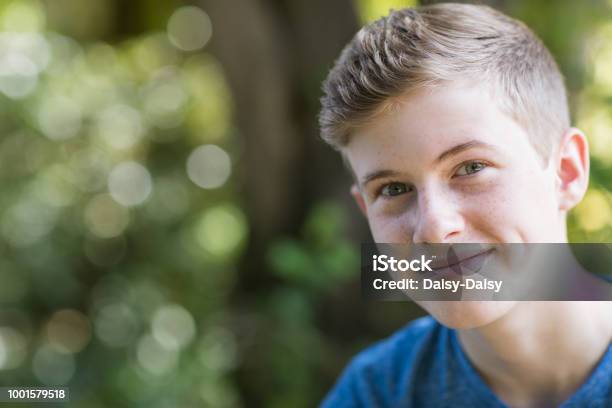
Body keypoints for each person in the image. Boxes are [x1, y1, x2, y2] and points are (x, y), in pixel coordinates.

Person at [318, 3, 612, 407]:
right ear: (365, 210)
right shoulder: (376, 392)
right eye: (392, 189)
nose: (434, 227)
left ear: (567, 172)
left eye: (471, 167)